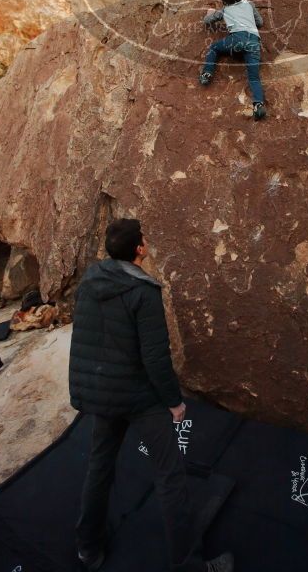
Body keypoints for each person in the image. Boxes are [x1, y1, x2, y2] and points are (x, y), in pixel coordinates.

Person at [69, 218, 233, 572]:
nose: (146, 241)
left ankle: (87, 547)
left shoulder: (90, 282)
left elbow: (86, 336)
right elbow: (156, 358)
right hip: (140, 397)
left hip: (102, 393)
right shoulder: (143, 292)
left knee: (99, 467)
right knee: (170, 476)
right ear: (139, 249)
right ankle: (190, 566)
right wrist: (174, 402)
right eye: (143, 238)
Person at [199, 0, 267, 120]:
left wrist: (209, 13)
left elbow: (207, 21)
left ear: (224, 0)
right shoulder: (249, 4)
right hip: (254, 42)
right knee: (254, 77)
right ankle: (258, 105)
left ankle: (207, 74)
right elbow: (260, 22)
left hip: (236, 40)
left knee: (214, 48)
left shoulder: (225, 10)